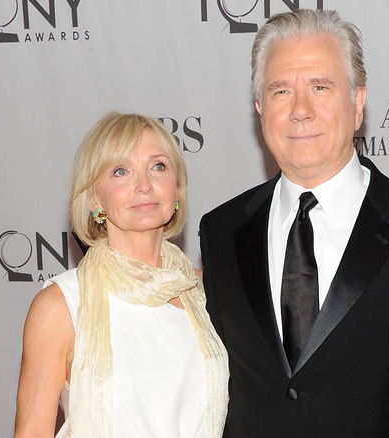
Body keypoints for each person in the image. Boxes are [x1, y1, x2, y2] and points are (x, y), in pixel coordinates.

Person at [199, 9, 389, 437]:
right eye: (280, 91)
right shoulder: (220, 232)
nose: (300, 110)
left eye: (320, 86)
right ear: (259, 106)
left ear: (358, 100)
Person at [14, 112, 229, 438]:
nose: (144, 185)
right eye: (120, 171)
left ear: (177, 191)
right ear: (93, 198)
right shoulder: (61, 306)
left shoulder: (209, 293)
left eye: (158, 167)